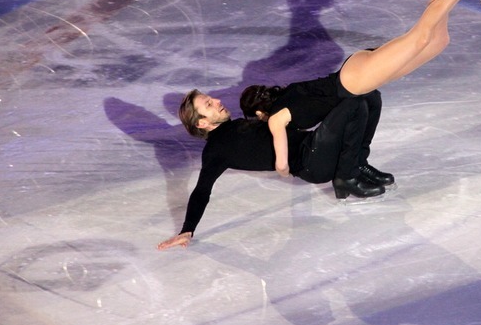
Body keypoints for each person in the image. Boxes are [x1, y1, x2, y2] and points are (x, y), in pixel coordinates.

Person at [239, 0, 481, 182]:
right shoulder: (290, 93)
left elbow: (282, 164)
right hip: (354, 72)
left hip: (355, 80)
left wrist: (285, 172)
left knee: (420, 37)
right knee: (437, 41)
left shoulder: (276, 119)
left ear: (261, 114)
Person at [157, 88, 385, 250]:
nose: (217, 100)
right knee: (354, 103)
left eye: (211, 99)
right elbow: (201, 191)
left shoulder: (237, 126)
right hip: (312, 159)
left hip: (316, 146)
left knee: (370, 96)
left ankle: (357, 164)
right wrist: (187, 229)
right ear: (202, 123)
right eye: (209, 104)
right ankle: (346, 176)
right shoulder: (215, 151)